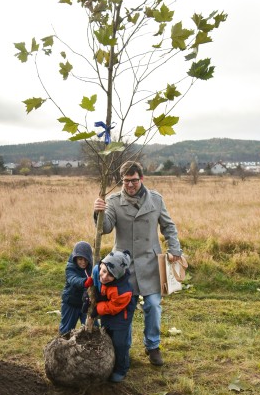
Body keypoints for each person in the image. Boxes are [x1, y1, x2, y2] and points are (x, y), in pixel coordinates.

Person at [94, 160, 182, 366]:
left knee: (153, 305)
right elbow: (105, 228)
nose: (130, 185)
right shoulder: (115, 202)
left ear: (141, 178)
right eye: (125, 181)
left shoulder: (156, 200)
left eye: (133, 180)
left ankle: (152, 346)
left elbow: (168, 227)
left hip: (150, 263)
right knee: (125, 308)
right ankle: (121, 349)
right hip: (122, 267)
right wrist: (98, 211)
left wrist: (175, 250)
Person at [85, 250, 136, 383]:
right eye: (104, 270)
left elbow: (112, 308)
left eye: (110, 275)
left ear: (118, 277)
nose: (104, 276)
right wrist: (90, 291)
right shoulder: (97, 270)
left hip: (121, 318)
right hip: (107, 314)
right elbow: (95, 281)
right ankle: (110, 362)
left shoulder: (123, 291)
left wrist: (97, 309)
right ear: (101, 264)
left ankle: (121, 368)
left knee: (120, 343)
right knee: (107, 337)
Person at [59, 241, 93, 335]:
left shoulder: (92, 267)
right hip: (71, 303)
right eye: (80, 259)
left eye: (86, 259)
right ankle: (63, 347)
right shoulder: (70, 267)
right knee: (66, 331)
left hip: (86, 304)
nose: (83, 262)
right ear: (75, 258)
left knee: (93, 330)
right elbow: (73, 279)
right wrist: (84, 282)